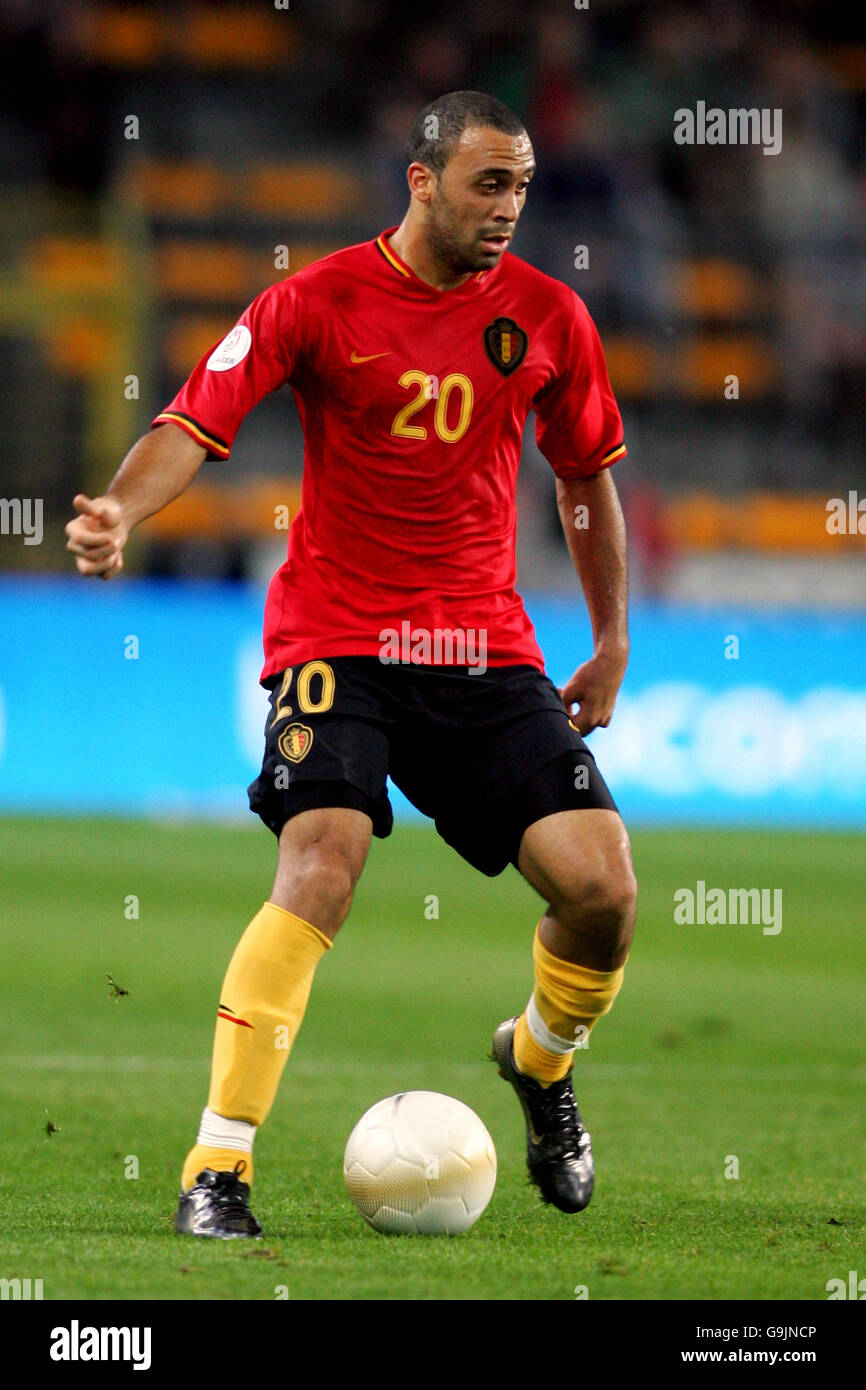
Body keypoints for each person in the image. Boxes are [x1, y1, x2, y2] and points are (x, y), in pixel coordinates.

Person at [66, 90, 637, 1239]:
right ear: (420, 179)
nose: (507, 208)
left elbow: (583, 477)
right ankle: (215, 1168)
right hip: (338, 636)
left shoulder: (547, 316)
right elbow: (195, 416)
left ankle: (537, 1058)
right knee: (320, 861)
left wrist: (611, 636)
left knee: (602, 890)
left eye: (520, 186)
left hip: (482, 648)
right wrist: (120, 511)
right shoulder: (315, 300)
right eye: (487, 183)